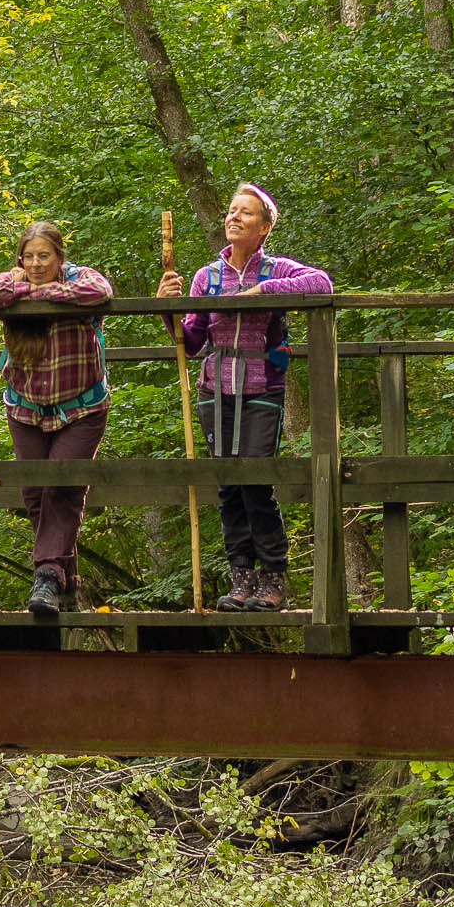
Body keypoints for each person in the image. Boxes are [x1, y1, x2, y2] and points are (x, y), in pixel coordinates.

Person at [165, 182, 334, 611]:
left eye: (245, 212)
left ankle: (273, 579)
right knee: (228, 486)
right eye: (231, 211)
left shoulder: (277, 269)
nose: (233, 217)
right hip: (214, 387)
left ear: (264, 227)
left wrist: (260, 292)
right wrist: (167, 308)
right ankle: (240, 579)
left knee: (256, 481)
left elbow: (322, 284)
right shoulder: (207, 276)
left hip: (262, 385)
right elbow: (189, 339)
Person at [0, 220, 113, 618]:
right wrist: (21, 287)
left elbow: (100, 290)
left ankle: (47, 575)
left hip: (81, 407)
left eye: (44, 256)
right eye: (28, 256)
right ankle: (64, 580)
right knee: (34, 492)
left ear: (59, 257)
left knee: (62, 486)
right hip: (26, 407)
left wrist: (43, 293)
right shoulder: (12, 280)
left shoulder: (79, 278)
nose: (35, 263)